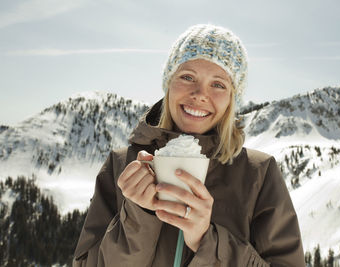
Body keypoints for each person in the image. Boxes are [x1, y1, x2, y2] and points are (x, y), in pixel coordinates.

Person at [73, 24, 305, 267]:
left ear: (231, 100)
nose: (199, 94)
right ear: (169, 83)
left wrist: (209, 242)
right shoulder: (123, 166)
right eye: (187, 77)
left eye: (218, 84)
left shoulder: (258, 174)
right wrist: (138, 219)